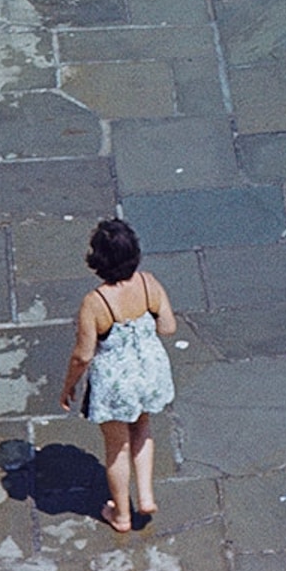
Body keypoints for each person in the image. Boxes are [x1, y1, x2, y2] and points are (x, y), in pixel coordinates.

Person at [62, 219, 178, 533]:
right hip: (149, 374)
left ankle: (122, 515)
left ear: (98, 261)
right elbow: (168, 327)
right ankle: (146, 495)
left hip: (115, 384)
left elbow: (83, 355)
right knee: (142, 428)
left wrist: (68, 388)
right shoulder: (149, 283)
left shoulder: (95, 303)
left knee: (117, 448)